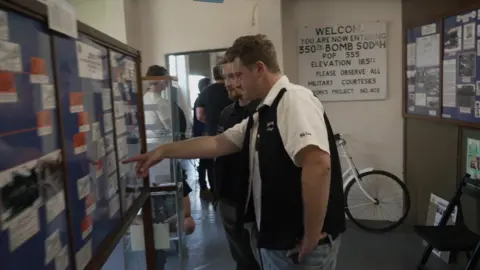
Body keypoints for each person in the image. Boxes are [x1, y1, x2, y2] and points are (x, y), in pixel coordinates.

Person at [124, 34, 345, 270]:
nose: (235, 84)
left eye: (239, 75)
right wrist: (163, 151)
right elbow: (218, 143)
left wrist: (312, 236)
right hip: (279, 241)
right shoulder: (264, 112)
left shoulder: (293, 99)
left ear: (259, 69)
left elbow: (318, 164)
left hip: (298, 244)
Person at [214, 58, 261, 270]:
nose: (228, 83)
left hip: (257, 205)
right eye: (226, 77)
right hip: (229, 201)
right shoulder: (226, 113)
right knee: (242, 260)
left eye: (234, 76)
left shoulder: (265, 111)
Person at [194, 60, 232, 198]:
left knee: (211, 164)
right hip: (232, 131)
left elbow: (199, 115)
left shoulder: (205, 92)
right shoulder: (232, 90)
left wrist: (210, 121)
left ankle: (215, 191)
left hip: (211, 133)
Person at [193, 78, 215, 200]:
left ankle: (206, 187)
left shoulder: (201, 99)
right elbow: (201, 118)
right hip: (203, 134)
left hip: (201, 134)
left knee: (205, 163)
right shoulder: (201, 100)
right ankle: (205, 187)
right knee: (206, 163)